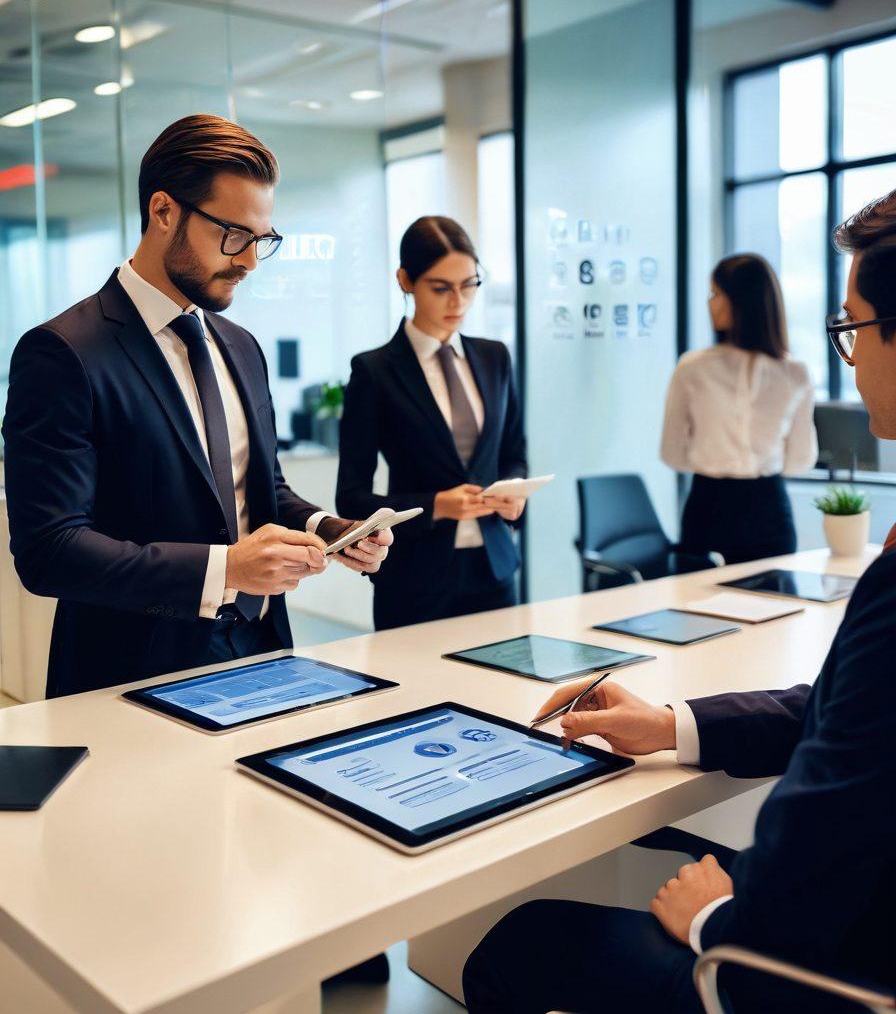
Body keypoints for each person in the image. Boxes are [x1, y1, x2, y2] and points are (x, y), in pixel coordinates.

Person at [463, 193, 896, 1013]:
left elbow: (825, 840)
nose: (848, 356)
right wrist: (674, 725)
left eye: (854, 327)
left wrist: (719, 920)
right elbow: (850, 717)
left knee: (518, 945)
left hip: (822, 972)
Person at [1, 114, 391, 699]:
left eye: (262, 240)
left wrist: (329, 528)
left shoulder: (240, 346)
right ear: (163, 211)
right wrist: (227, 569)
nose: (251, 261)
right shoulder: (62, 352)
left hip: (264, 651)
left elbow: (264, 489)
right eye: (233, 235)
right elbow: (49, 551)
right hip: (130, 676)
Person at [336, 216, 527, 630]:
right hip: (415, 581)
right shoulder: (374, 371)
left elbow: (514, 454)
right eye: (441, 288)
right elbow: (350, 498)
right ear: (405, 280)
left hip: (495, 571)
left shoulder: (495, 358)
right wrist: (437, 505)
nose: (458, 302)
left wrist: (514, 494)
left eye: (469, 285)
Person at [661, 253, 817, 564]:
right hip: (736, 505)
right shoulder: (693, 367)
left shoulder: (795, 373)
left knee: (771, 607)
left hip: (735, 504)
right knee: (700, 609)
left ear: (743, 300)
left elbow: (674, 452)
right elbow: (798, 458)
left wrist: (711, 458)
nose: (710, 303)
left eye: (716, 293)